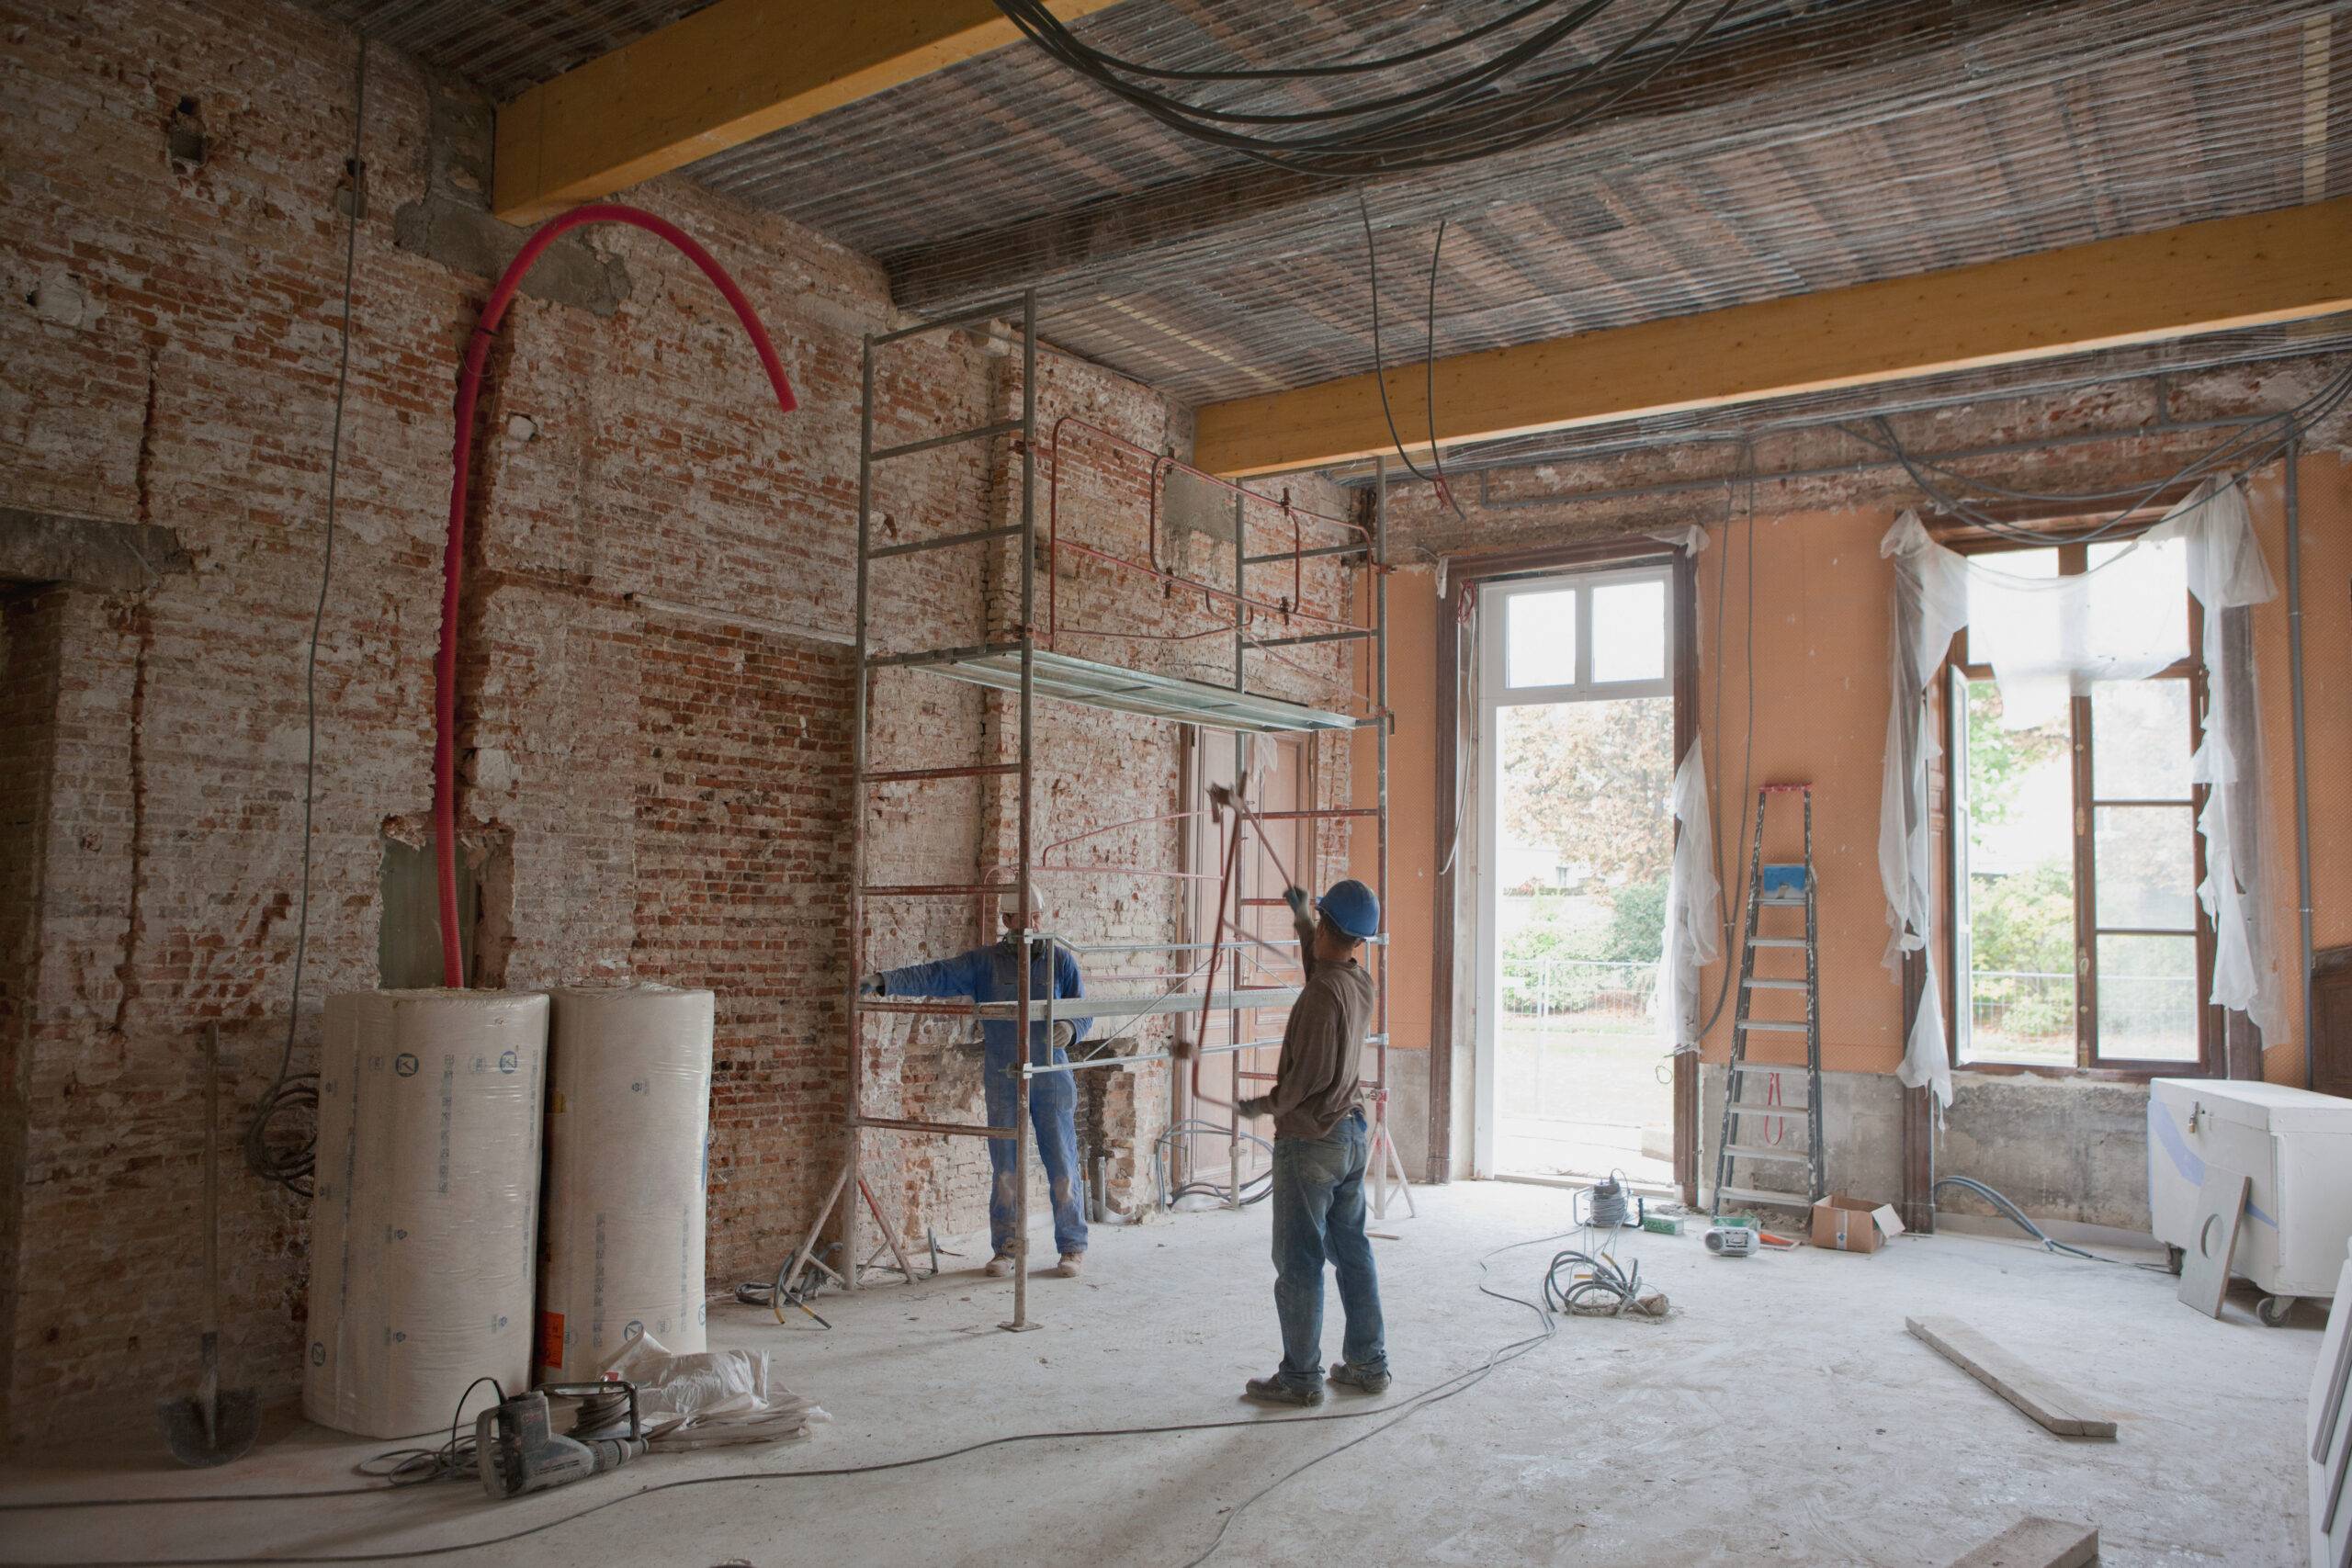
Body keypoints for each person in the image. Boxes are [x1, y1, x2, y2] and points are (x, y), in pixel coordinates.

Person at [861, 886, 1091, 1278]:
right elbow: (937, 975)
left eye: (1037, 916)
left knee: (1063, 1163)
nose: (1033, 924)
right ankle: (1007, 1248)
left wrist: (1071, 1028)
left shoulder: (1059, 960)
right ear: (1007, 921)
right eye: (1025, 918)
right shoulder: (984, 964)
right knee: (1005, 1168)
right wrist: (885, 981)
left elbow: (1083, 1010)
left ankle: (1072, 1247)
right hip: (1004, 1075)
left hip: (1051, 1076)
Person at [1237, 877, 1388, 1406]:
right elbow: (1318, 967)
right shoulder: (1356, 979)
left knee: (1299, 1260)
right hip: (1349, 1135)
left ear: (1330, 929)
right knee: (1352, 1251)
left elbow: (1306, 1081)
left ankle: (1301, 1377)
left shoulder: (1323, 996)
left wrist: (1263, 1105)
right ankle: (1369, 1364)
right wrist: (1302, 918)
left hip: (1313, 1141)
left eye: (1317, 922)